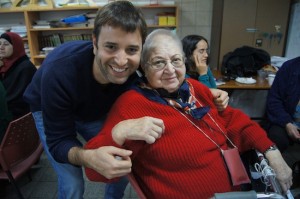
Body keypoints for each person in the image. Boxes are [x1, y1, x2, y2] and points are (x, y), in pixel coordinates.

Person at [23, 1, 229, 199]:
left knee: (121, 165)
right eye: (111, 47)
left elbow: (170, 76)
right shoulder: (59, 71)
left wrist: (205, 92)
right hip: (49, 104)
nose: (121, 61)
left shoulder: (137, 65)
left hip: (94, 107)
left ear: (141, 49)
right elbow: (59, 142)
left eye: (131, 50)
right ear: (94, 43)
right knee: (72, 181)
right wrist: (88, 156)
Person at [84, 29, 293, 199]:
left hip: (235, 193)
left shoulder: (195, 88)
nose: (170, 70)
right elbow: (95, 171)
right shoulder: (131, 104)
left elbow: (234, 121)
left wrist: (272, 151)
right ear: (143, 68)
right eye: (158, 62)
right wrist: (119, 133)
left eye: (176, 61)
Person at [266, 56, 300, 152]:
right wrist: (287, 123)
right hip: (286, 121)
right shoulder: (290, 67)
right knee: (277, 138)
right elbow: (274, 100)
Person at [0, 32, 36, 119]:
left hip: (19, 116)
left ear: (16, 47)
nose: (1, 47)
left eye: (6, 44)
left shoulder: (25, 67)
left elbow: (15, 99)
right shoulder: (3, 64)